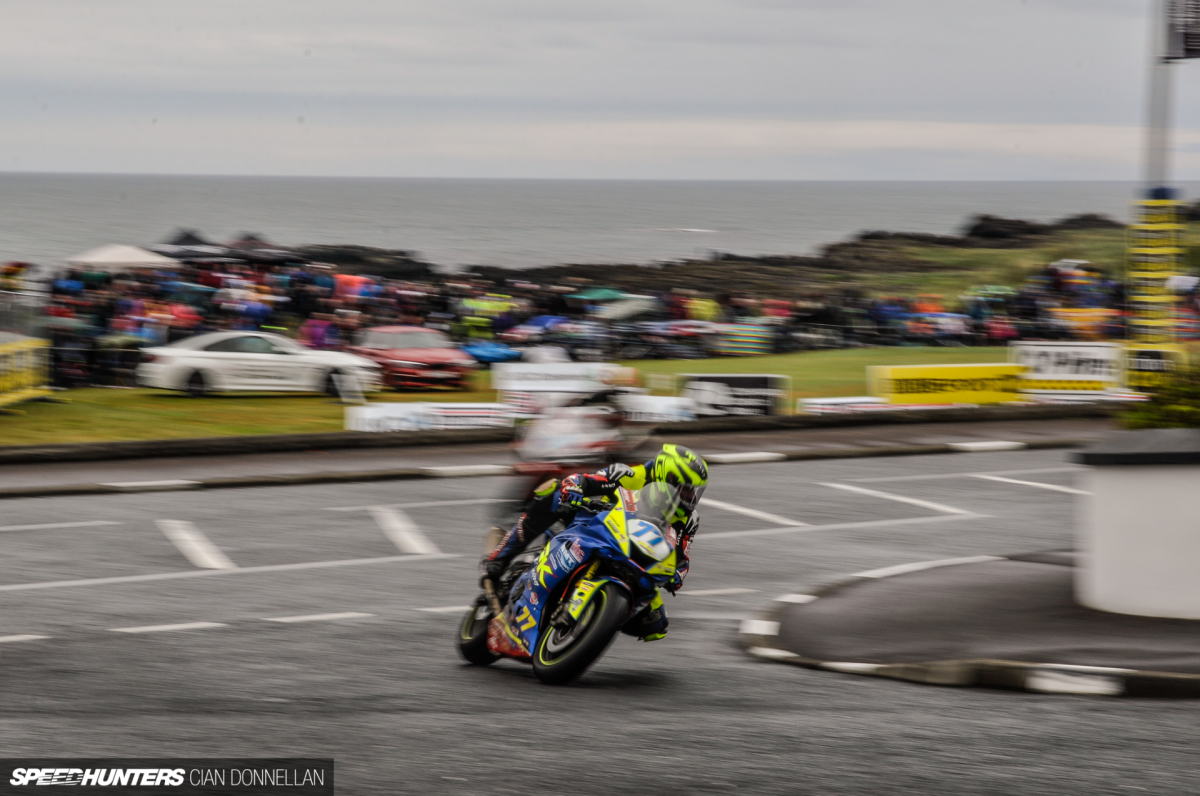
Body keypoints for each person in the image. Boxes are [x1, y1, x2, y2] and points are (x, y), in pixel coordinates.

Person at [481, 444, 708, 653]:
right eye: (686, 490)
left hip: (638, 554)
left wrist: (676, 575)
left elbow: (681, 556)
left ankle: (594, 617)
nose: (691, 498)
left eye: (695, 493)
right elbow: (590, 479)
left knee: (656, 623)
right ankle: (500, 557)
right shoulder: (632, 474)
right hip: (593, 522)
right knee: (552, 492)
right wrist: (575, 487)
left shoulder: (688, 519)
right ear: (667, 476)